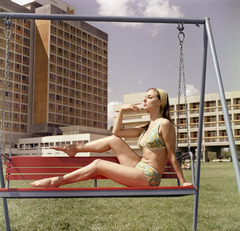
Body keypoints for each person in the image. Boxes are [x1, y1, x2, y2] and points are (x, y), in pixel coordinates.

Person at [30, 88, 192, 188]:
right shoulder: (147, 126)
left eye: (149, 97)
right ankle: (75, 149)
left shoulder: (164, 124)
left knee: (99, 164)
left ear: (160, 102)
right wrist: (122, 111)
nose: (144, 99)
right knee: (113, 140)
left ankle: (56, 181)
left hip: (149, 176)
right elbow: (117, 134)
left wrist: (183, 181)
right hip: (139, 167)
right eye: (145, 96)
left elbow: (172, 155)